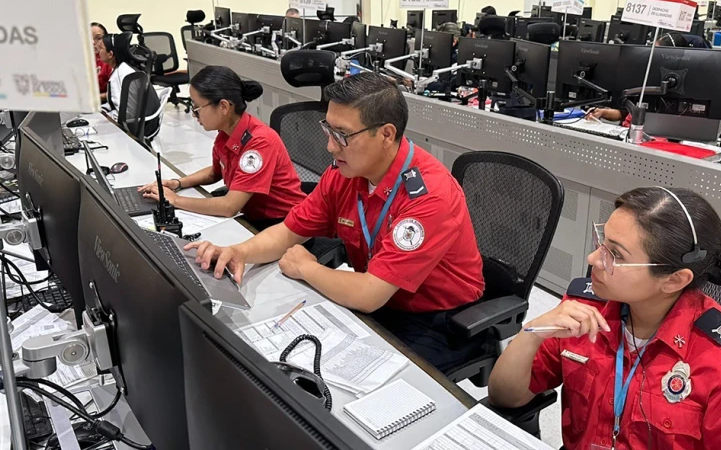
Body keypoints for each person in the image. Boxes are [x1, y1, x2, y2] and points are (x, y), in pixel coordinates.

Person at [185, 72, 486, 372]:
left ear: (386, 134)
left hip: (438, 321)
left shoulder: (428, 196)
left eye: (342, 135)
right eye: (328, 130)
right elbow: (288, 232)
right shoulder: (346, 173)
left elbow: (369, 294)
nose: (330, 146)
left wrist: (306, 267)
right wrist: (240, 252)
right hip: (381, 301)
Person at [488, 187, 721, 449]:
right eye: (601, 243)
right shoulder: (585, 311)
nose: (593, 259)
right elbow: (505, 397)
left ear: (674, 280)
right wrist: (533, 332)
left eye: (616, 255)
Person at [138, 66, 305, 226]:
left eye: (197, 107)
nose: (194, 114)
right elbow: (215, 172)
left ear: (223, 107)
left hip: (283, 224)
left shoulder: (259, 143)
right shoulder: (225, 133)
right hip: (251, 214)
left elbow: (229, 207)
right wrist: (177, 183)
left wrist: (174, 200)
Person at [588, 32, 690, 123]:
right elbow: (623, 113)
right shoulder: (644, 75)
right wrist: (603, 112)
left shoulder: (682, 86)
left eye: (657, 53)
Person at [98, 33, 137, 113]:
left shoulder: (118, 75)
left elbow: (121, 112)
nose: (99, 51)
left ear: (110, 54)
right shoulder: (121, 68)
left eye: (101, 48)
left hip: (124, 122)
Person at [91, 22, 113, 102]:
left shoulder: (110, 59)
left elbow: (116, 93)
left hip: (105, 104)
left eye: (98, 38)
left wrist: (95, 98)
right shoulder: (83, 59)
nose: (93, 42)